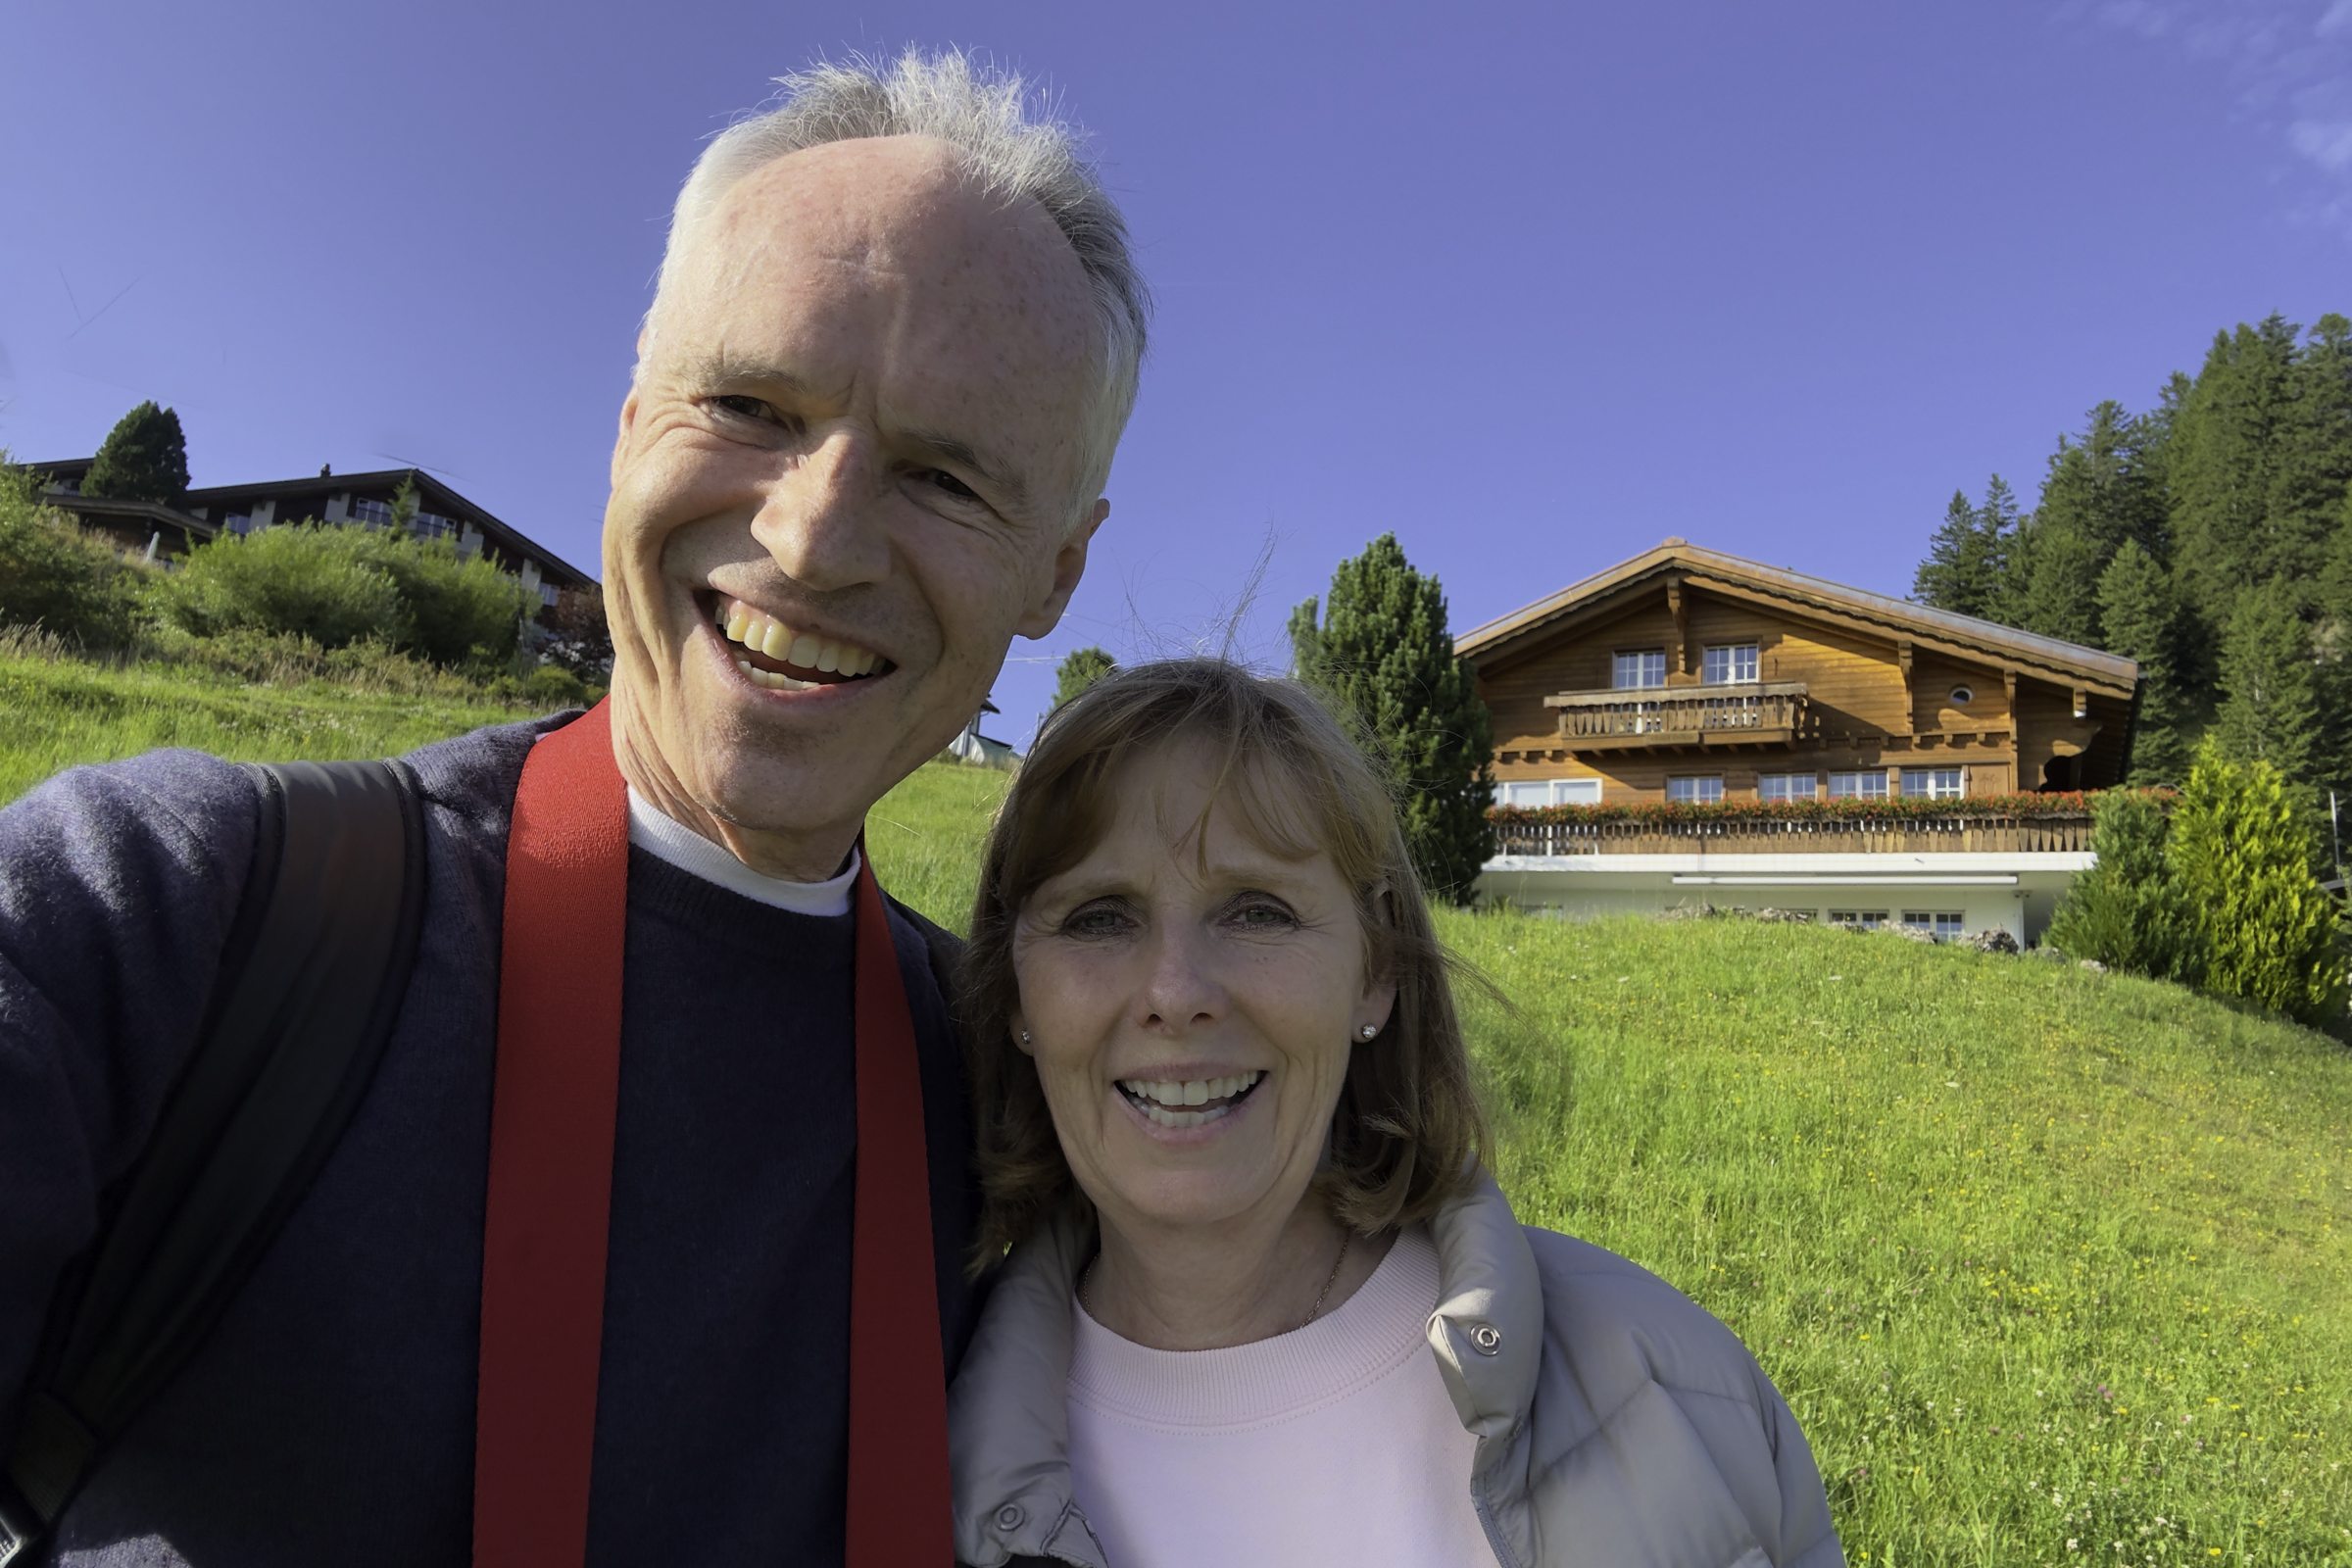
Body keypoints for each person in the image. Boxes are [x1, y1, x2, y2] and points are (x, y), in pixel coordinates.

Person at [0, 50, 1147, 1567]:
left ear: (1059, 569)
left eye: (946, 476)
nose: (811, 542)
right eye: (748, 402)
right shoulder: (178, 911)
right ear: (625, 428)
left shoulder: (1031, 1084)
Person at [945, 660, 1845, 1568]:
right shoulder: (902, 1449)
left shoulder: (1671, 1388)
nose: (1176, 994)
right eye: (1100, 918)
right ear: (1017, 995)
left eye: (1257, 913)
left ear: (1376, 971)